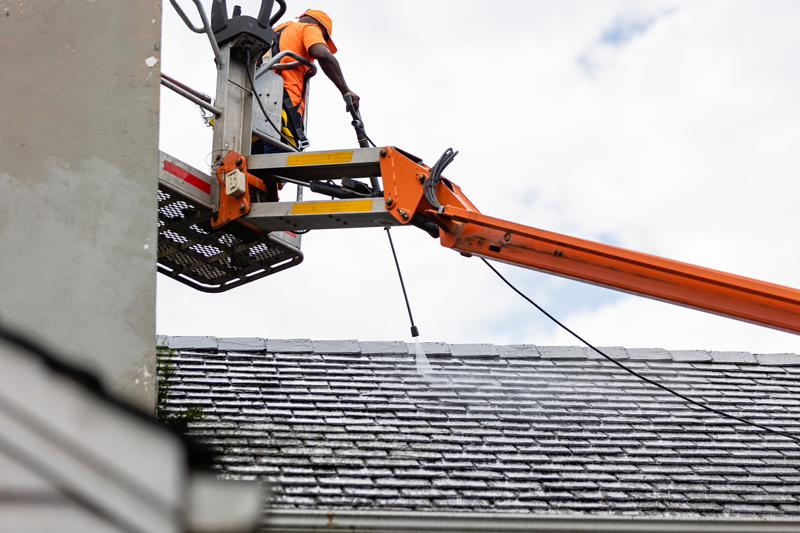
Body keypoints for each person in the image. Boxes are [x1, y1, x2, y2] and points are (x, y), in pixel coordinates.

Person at [252, 9, 359, 153]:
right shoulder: (309, 28)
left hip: (253, 109)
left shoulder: (273, 32)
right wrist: (345, 90)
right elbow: (324, 55)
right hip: (282, 108)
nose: (323, 40)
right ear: (319, 26)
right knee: (281, 167)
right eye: (324, 37)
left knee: (253, 168)